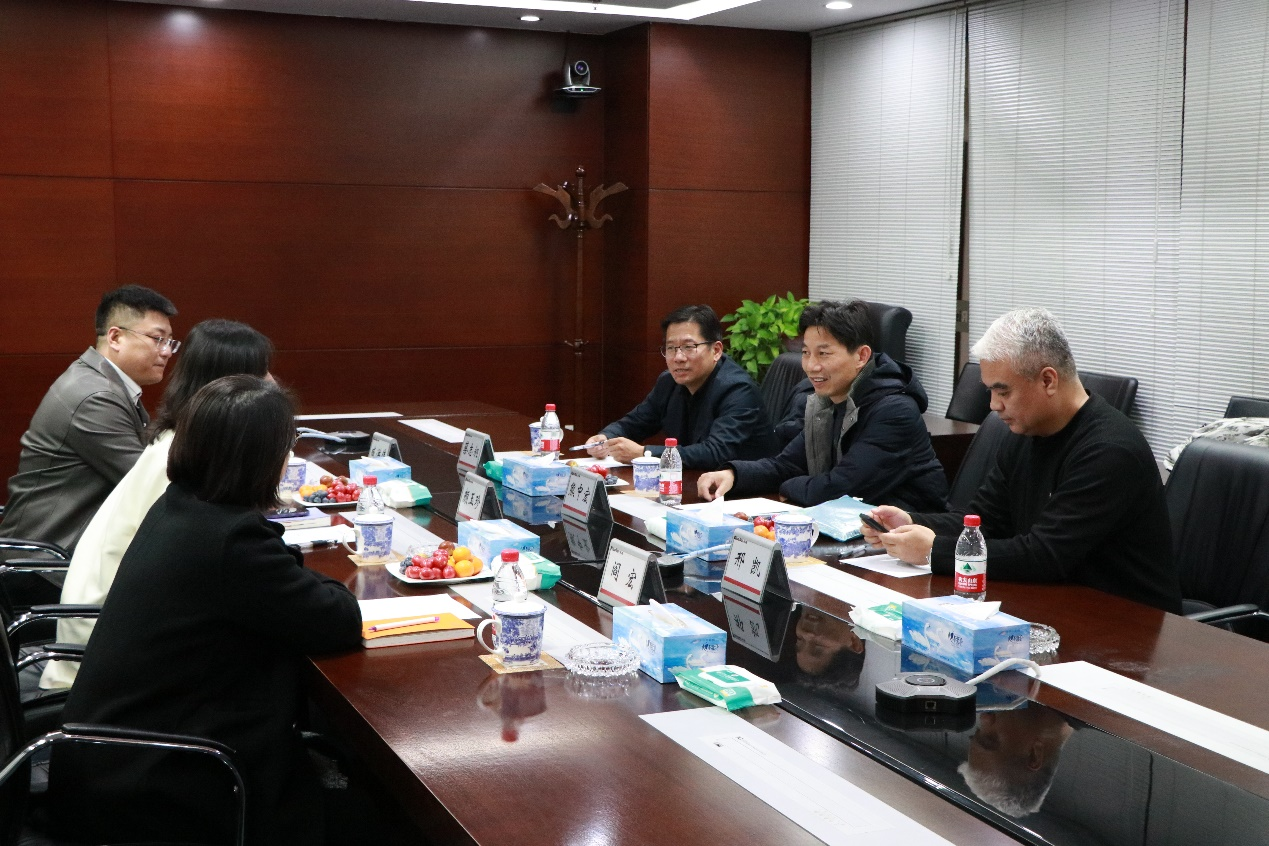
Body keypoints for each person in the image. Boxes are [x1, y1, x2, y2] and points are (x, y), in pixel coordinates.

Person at [48, 375, 362, 846]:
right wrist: (322, 580)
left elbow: (285, 589)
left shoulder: (181, 505)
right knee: (363, 815)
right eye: (286, 445)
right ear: (259, 458)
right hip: (159, 785)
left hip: (108, 762)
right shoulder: (231, 541)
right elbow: (339, 619)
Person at [861, 307, 1182, 612]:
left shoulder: (1109, 449)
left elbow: (1046, 555)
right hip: (1055, 600)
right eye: (990, 391)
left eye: (1003, 392)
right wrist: (913, 523)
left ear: (1048, 380)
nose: (993, 405)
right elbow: (984, 522)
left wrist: (934, 550)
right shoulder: (1026, 432)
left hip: (1125, 618)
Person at [40, 319, 274, 690]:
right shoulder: (183, 460)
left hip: (114, 623)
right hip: (106, 646)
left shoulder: (179, 438)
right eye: (262, 372)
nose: (271, 382)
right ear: (232, 386)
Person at [698, 300, 948, 510]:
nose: (811, 366)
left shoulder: (894, 411)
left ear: (861, 356)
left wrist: (789, 486)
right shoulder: (828, 400)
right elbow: (787, 464)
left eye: (824, 354)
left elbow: (838, 489)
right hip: (854, 529)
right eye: (806, 353)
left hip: (909, 537)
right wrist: (733, 475)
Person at [0, 285, 178, 553]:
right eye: (157, 339)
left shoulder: (102, 383)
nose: (166, 352)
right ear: (115, 337)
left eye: (170, 342)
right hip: (43, 559)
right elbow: (150, 483)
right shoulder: (95, 397)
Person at [584, 304, 778, 469]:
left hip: (743, 493)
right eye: (671, 348)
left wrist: (645, 453)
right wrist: (605, 437)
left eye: (688, 347)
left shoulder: (738, 390)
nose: (678, 357)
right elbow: (634, 423)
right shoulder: (668, 382)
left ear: (716, 350)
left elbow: (715, 453)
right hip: (690, 483)